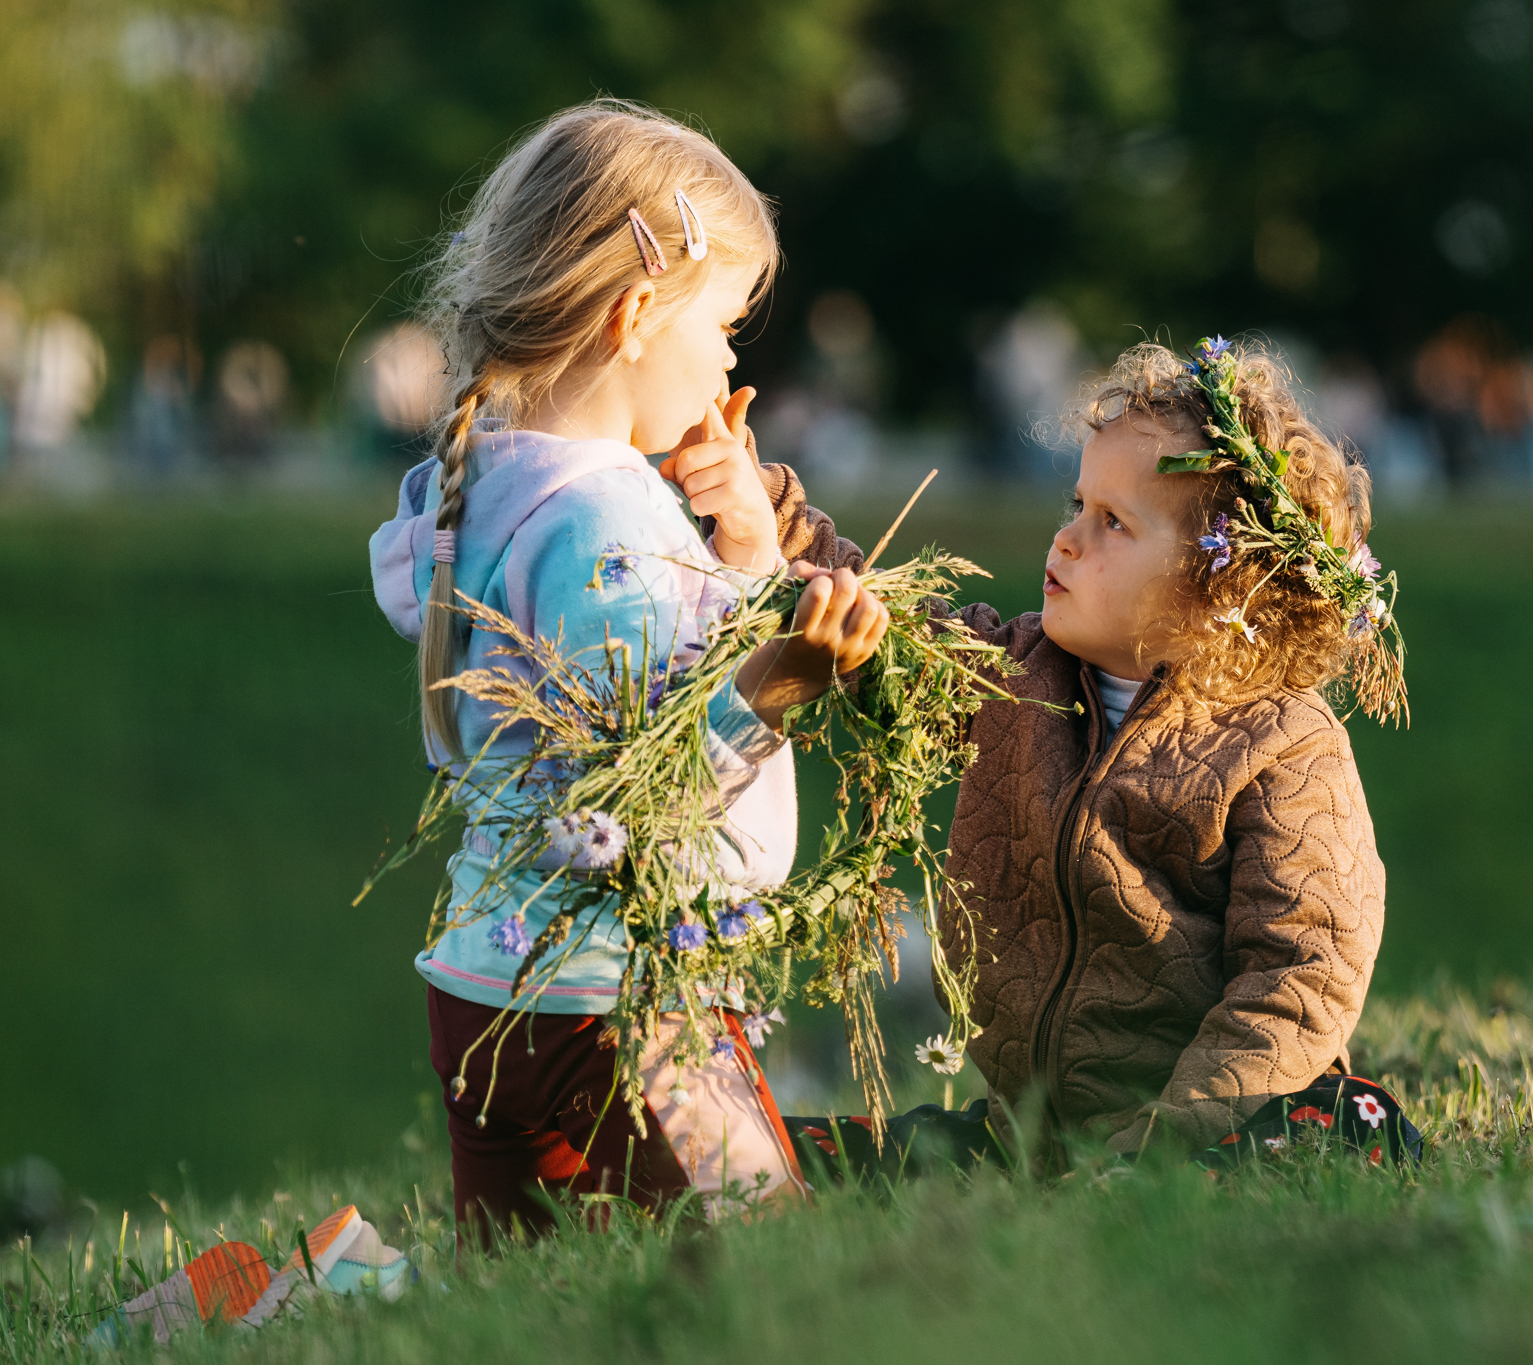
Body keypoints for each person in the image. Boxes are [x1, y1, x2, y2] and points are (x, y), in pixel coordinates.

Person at [368, 100, 888, 1238]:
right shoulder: (606, 513)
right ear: (638, 313)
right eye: (727, 326)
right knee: (773, 1263)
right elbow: (639, 785)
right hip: (619, 998)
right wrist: (788, 673)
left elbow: (604, 703)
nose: (730, 360)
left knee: (528, 1306)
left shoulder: (490, 486)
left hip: (483, 986)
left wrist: (746, 547)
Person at [770, 339, 1420, 1176]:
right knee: (781, 1153)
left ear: (1220, 589)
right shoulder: (1017, 672)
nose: (1067, 538)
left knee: (1349, 1126)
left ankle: (1149, 1186)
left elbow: (1301, 974)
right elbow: (882, 629)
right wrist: (773, 527)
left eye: (1112, 522)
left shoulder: (1282, 742)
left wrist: (1163, 1145)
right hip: (1031, 1134)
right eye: (1078, 503)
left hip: (1204, 1125)